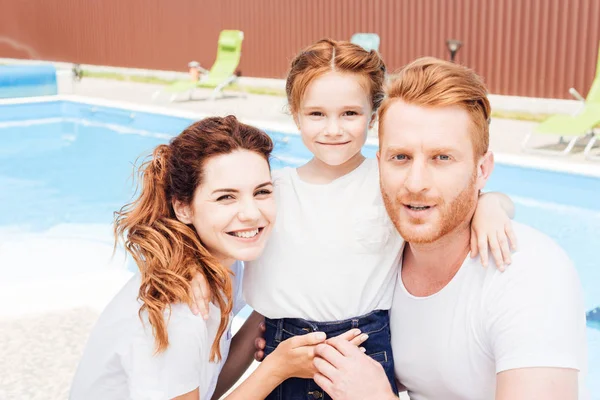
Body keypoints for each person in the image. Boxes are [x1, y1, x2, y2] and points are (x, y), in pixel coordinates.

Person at [191, 39, 517, 400]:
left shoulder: (389, 183)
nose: (334, 129)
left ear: (373, 116)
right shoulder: (272, 192)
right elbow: (217, 232)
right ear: (295, 113)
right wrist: (193, 274)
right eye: (317, 114)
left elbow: (461, 200)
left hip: (366, 350)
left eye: (350, 114)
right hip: (282, 350)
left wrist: (492, 207)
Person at [311, 58, 589, 400]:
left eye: (442, 158)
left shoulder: (530, 274)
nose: (415, 183)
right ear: (379, 162)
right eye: (400, 157)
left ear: (482, 169)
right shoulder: (377, 253)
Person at [69, 116, 366, 400]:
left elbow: (205, 387)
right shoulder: (178, 313)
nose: (251, 214)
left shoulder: (223, 262)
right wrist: (277, 369)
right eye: (226, 197)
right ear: (183, 208)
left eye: (261, 192)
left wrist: (268, 312)